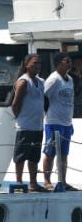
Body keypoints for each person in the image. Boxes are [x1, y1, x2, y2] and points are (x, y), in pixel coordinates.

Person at [41, 52, 77, 191]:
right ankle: (47, 181)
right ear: (58, 64)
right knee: (50, 153)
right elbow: (43, 96)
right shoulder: (53, 79)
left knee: (64, 155)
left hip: (67, 123)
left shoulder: (70, 80)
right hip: (54, 122)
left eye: (69, 60)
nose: (69, 63)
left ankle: (62, 181)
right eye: (66, 61)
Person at [10, 54, 46, 192]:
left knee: (34, 156)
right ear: (27, 65)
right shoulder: (23, 82)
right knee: (20, 155)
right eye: (35, 63)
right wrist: (20, 118)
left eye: (40, 63)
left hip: (37, 126)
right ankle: (19, 182)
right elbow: (15, 104)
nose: (38, 65)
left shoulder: (41, 81)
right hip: (25, 126)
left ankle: (33, 183)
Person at [70, 54, 82, 118]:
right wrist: (78, 77)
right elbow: (76, 91)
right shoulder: (70, 77)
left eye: (80, 64)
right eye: (77, 64)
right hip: (75, 109)